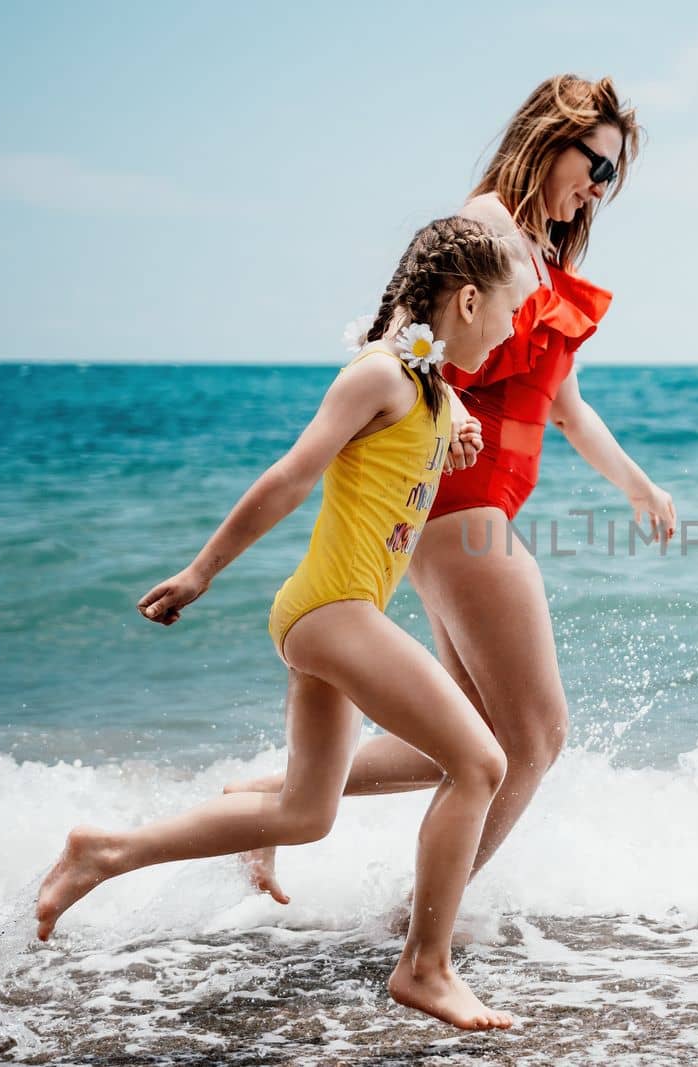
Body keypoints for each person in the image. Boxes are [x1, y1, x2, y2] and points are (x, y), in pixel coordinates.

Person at [33, 216, 531, 1031]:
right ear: (469, 299)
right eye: (507, 310)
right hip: (330, 610)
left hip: (337, 615)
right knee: (480, 761)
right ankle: (425, 966)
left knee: (307, 813)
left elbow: (410, 444)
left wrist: (456, 430)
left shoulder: (426, 386)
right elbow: (292, 475)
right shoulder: (379, 374)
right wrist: (201, 570)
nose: (512, 330)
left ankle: (105, 851)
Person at [227, 74, 677, 903]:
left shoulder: (540, 252)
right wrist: (452, 405)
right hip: (460, 507)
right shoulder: (489, 226)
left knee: (466, 741)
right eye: (596, 166)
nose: (599, 189)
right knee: (537, 736)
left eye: (612, 177)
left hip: (470, 510)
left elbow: (565, 407)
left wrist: (637, 483)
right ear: (548, 139)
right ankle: (422, 927)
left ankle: (267, 798)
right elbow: (403, 338)